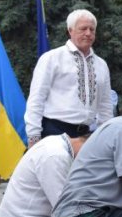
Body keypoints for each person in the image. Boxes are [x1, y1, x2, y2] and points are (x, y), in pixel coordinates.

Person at [25, 9, 113, 146]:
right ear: (70, 30)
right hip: (54, 131)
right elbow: (37, 98)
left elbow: (105, 105)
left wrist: (106, 136)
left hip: (87, 135)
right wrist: (33, 136)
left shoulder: (101, 65)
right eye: (83, 29)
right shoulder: (52, 58)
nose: (88, 33)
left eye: (92, 29)